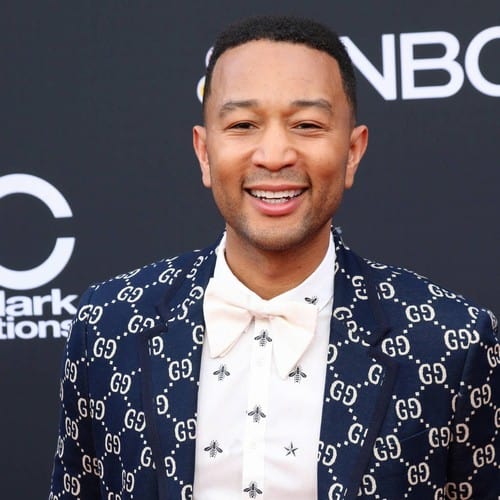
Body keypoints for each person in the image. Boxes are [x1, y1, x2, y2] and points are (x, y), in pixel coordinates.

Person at [50, 15, 499, 500]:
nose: (274, 155)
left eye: (307, 125)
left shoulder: (449, 340)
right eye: (243, 125)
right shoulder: (110, 326)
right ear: (204, 152)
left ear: (352, 152)